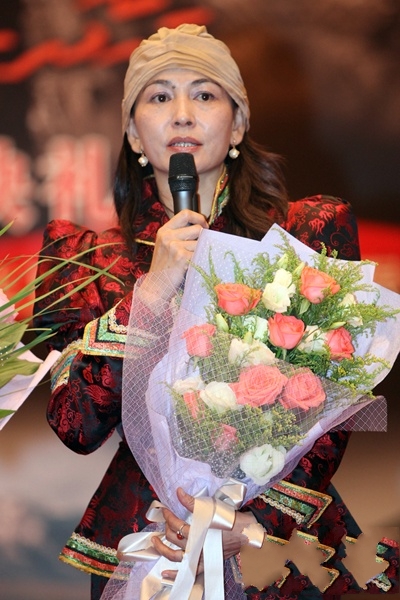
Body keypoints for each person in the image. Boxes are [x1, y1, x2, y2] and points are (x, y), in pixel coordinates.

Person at [33, 24, 392, 600]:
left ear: (238, 124)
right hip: (150, 535)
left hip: (274, 542)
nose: (182, 115)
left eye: (204, 94)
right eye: (158, 97)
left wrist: (249, 522)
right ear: (133, 132)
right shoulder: (87, 260)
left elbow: (333, 403)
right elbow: (76, 425)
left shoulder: (306, 233)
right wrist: (152, 292)